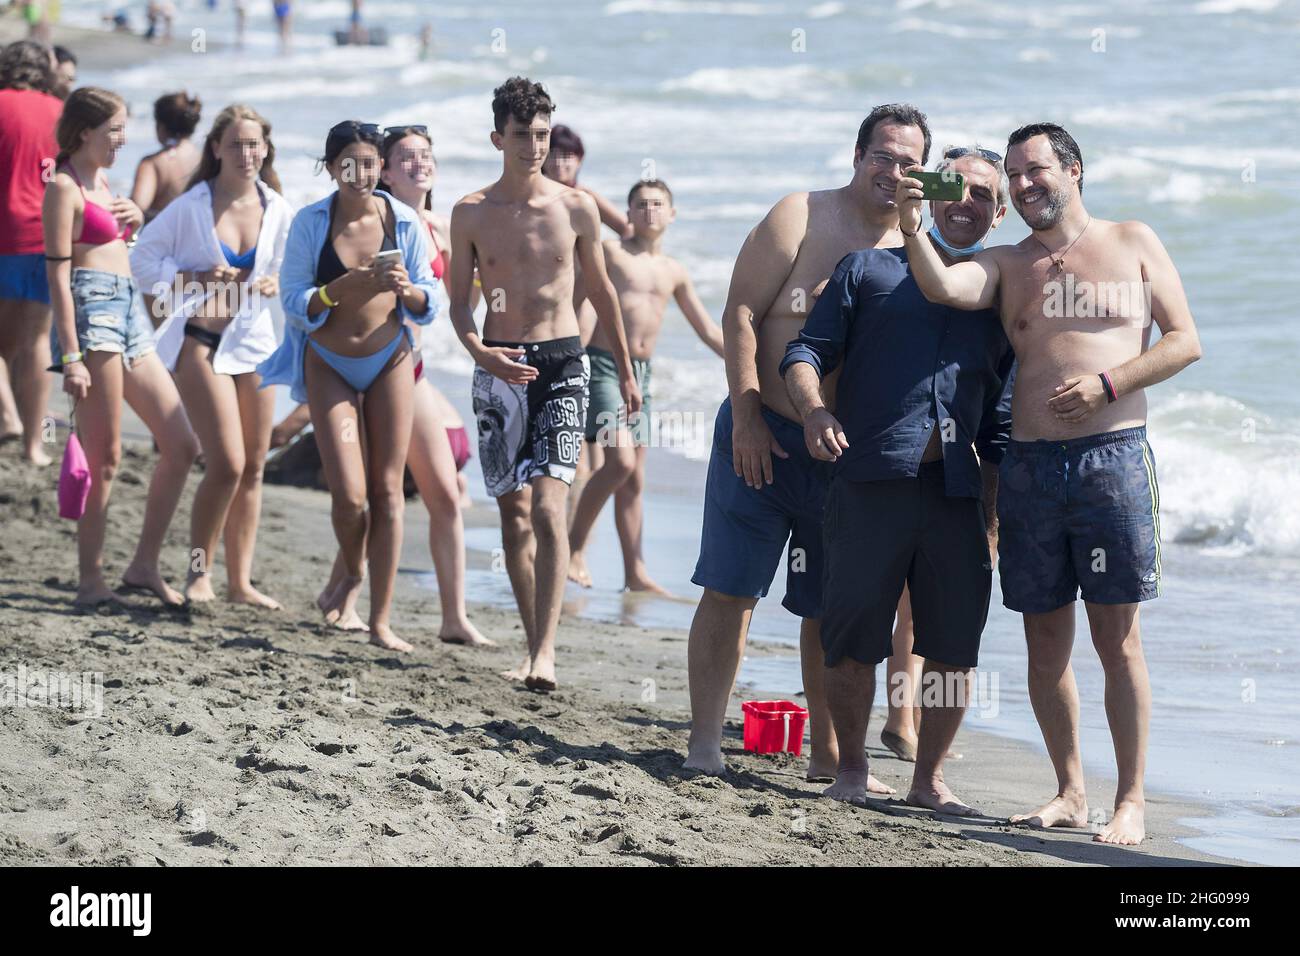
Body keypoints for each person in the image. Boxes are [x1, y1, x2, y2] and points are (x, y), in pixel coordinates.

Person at [901, 123, 1203, 845]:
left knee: (1118, 640)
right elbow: (943, 284)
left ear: (1073, 170)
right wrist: (912, 223)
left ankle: (1129, 800)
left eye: (1035, 169)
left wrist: (1110, 383)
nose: (1023, 183)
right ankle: (1070, 790)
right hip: (1032, 469)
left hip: (1113, 459)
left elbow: (1184, 339)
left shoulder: (1132, 240)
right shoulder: (1007, 263)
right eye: (1013, 174)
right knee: (1044, 643)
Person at [683, 104, 931, 785]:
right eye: (883, 155)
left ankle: (827, 753)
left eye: (910, 162)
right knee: (731, 588)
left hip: (842, 454)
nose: (895, 170)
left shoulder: (918, 248)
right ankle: (704, 740)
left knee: (830, 607)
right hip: (760, 432)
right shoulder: (802, 215)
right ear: (857, 156)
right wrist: (748, 417)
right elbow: (740, 313)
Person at [782, 144, 1016, 812]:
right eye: (956, 186)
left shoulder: (998, 290)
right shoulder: (865, 271)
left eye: (983, 195)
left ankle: (928, 780)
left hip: (956, 496)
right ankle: (851, 770)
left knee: (952, 649)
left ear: (999, 216)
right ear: (928, 193)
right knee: (853, 637)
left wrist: (994, 519)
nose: (967, 202)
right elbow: (806, 351)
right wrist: (814, 409)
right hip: (868, 482)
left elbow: (1000, 419)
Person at [447, 77, 641, 690]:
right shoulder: (471, 212)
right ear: (497, 137)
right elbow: (457, 307)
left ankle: (547, 653)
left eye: (542, 134)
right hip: (498, 365)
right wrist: (483, 354)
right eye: (523, 135)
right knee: (514, 517)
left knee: (551, 508)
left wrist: (629, 373)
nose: (534, 146)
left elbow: (603, 292)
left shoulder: (576, 208)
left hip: (562, 364)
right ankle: (532, 643)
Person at [257, 120, 438, 651]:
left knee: (388, 491)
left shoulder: (403, 220)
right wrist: (340, 288)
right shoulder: (313, 221)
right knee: (351, 497)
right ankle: (352, 572)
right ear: (331, 167)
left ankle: (380, 620)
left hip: (390, 360)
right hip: (329, 362)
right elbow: (293, 300)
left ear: (381, 167)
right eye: (348, 164)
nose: (360, 174)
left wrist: (409, 290)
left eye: (369, 163)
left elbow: (433, 300)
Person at [130, 104, 292, 608]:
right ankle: (199, 574)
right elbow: (142, 257)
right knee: (226, 463)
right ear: (217, 148)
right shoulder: (193, 205)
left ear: (265, 150)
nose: (246, 153)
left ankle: (240, 583)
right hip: (201, 341)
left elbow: (296, 272)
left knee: (254, 468)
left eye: (255, 144)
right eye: (236, 144)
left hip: (257, 347)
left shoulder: (280, 209)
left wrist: (277, 282)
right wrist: (192, 280)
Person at [43, 86, 199, 606]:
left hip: (129, 307)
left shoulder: (101, 178)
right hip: (91, 316)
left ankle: (143, 566)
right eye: (114, 129)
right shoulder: (63, 188)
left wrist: (134, 223)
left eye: (125, 128)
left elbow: (113, 248)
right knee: (104, 455)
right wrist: (70, 356)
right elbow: (59, 279)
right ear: (85, 131)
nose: (123, 139)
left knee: (181, 444)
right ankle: (91, 581)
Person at [567, 178, 723, 594]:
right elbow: (576, 301)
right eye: (641, 204)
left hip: (643, 376)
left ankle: (634, 572)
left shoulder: (673, 270)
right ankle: (574, 549)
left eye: (658, 204)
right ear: (628, 212)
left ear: (672, 214)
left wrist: (751, 362)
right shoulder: (611, 253)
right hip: (602, 367)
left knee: (634, 481)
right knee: (619, 463)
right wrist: (568, 359)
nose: (650, 210)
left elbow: (706, 328)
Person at [0, 40, 64, 466]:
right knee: (38, 341)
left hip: (3, 235)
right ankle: (34, 447)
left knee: (3, 345)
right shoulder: (60, 111)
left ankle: (9, 420)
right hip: (47, 236)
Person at [542, 125, 632, 239]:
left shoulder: (585, 197)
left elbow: (627, 229)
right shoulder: (533, 194)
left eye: (566, 156)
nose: (558, 163)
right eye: (552, 155)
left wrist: (610, 253)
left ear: (579, 159)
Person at [130, 92, 203, 225]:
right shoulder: (205, 158)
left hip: (162, 240)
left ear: (160, 126)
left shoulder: (153, 163)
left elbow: (136, 208)